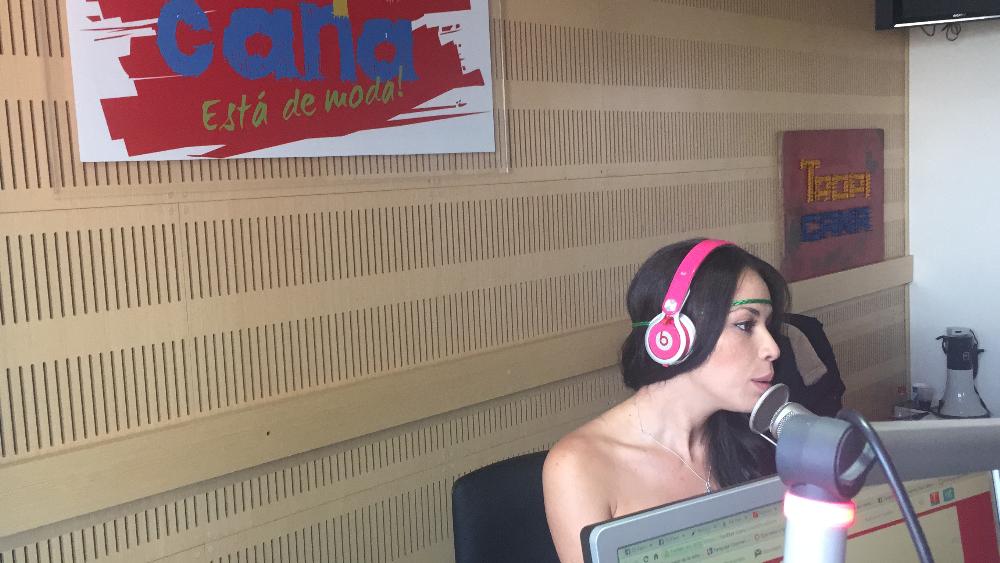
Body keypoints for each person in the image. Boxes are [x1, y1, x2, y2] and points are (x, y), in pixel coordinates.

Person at [542, 239, 790, 563]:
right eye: (745, 325)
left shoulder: (754, 439)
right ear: (673, 335)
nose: (773, 349)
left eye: (768, 327)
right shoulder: (579, 466)